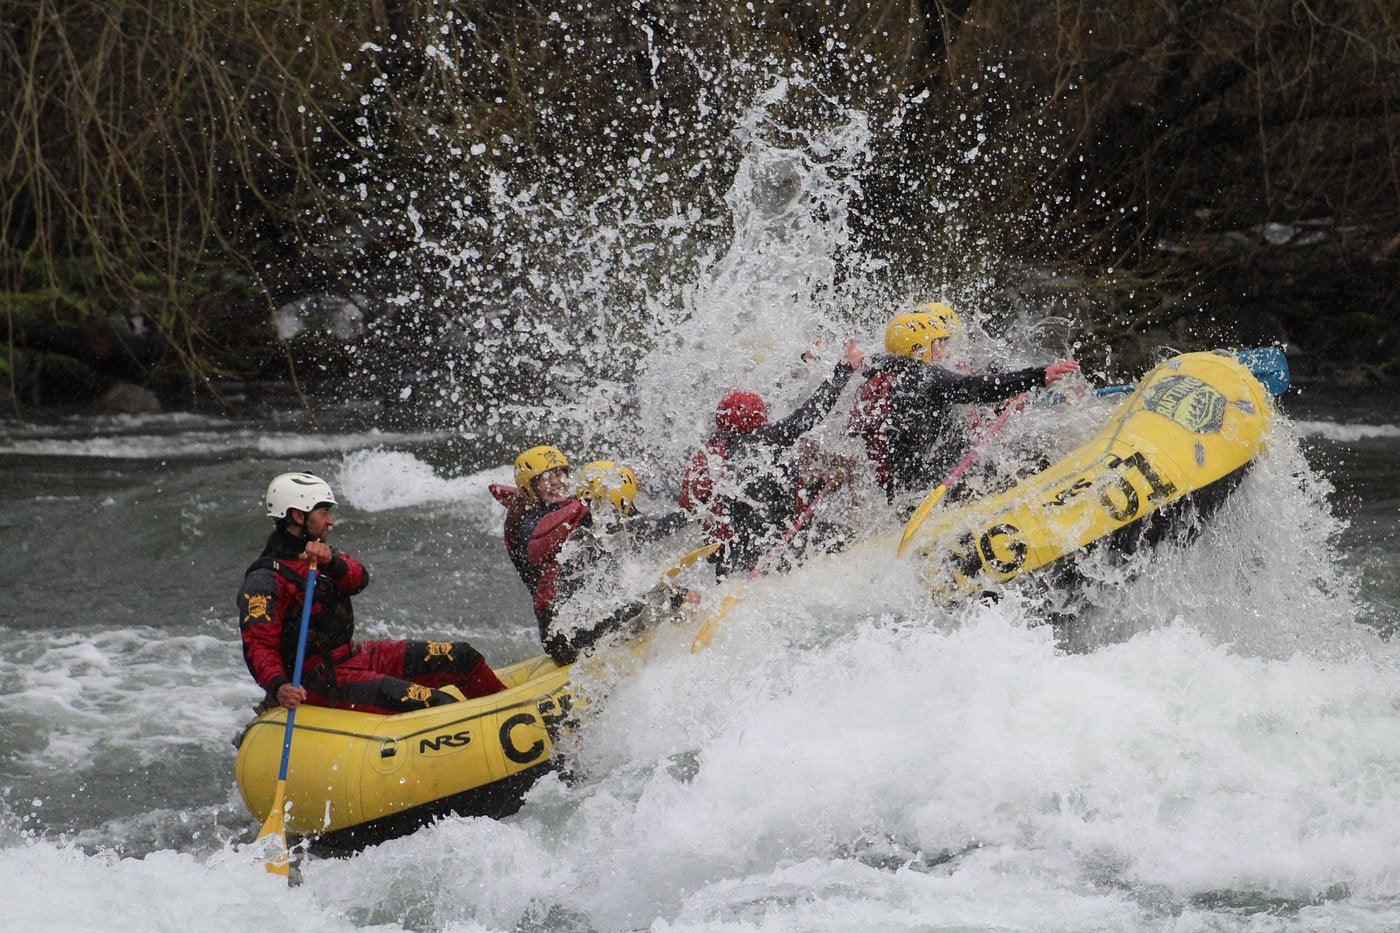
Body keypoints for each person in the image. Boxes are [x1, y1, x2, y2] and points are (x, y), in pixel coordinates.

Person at [238, 472, 506, 715]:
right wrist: (279, 685)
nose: (330, 520)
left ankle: (509, 712)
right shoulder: (265, 580)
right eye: (323, 512)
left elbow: (358, 579)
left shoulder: (321, 553)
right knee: (438, 704)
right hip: (321, 680)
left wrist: (331, 561)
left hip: (355, 656)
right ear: (298, 516)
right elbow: (259, 646)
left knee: (462, 657)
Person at [848, 302, 1079, 504]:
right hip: (926, 486)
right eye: (938, 343)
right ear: (917, 350)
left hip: (898, 488)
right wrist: (1038, 376)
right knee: (1004, 450)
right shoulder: (923, 377)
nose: (944, 350)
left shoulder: (883, 369)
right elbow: (974, 388)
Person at [680, 337, 866, 576]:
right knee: (846, 537)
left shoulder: (711, 452)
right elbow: (810, 413)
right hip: (775, 549)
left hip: (732, 556)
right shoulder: (764, 439)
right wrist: (844, 369)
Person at [491, 450, 698, 665]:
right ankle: (688, 653)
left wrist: (693, 513)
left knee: (655, 591)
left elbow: (640, 527)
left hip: (583, 623)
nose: (557, 482)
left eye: (560, 473)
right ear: (528, 487)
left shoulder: (575, 512)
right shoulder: (528, 522)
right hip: (564, 639)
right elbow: (538, 546)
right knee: (679, 597)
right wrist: (582, 510)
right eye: (546, 478)